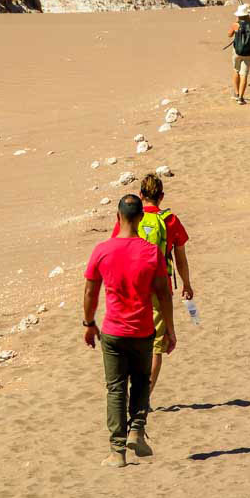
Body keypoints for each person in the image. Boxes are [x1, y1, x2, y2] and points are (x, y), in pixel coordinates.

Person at [84, 194, 176, 468]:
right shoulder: (151, 252)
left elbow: (91, 291)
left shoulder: (102, 249)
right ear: (140, 219)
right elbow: (164, 293)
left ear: (118, 217)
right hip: (143, 329)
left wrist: (89, 324)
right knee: (140, 382)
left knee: (115, 389)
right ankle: (137, 430)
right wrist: (170, 329)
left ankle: (117, 451)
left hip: (113, 331)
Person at [111, 173, 193, 396]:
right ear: (162, 196)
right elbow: (180, 259)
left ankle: (127, 392)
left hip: (130, 285)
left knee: (129, 337)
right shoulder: (170, 220)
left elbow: (116, 249)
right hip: (159, 286)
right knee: (156, 345)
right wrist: (186, 284)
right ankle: (143, 396)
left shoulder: (129, 217)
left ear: (140, 195)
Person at [228, 3, 250, 104]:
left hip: (237, 52)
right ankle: (241, 97)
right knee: (244, 74)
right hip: (248, 53)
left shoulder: (236, 25)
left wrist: (236, 25)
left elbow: (229, 35)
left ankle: (236, 93)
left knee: (236, 70)